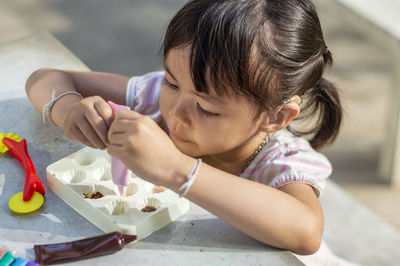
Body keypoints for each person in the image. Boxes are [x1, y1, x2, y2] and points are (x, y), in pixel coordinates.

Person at [26, 0, 342, 256]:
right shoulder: (155, 99)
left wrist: (178, 170)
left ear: (275, 118)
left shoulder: (281, 162)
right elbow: (44, 78)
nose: (175, 111)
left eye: (206, 108)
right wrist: (67, 110)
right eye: (171, 82)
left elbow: (307, 233)